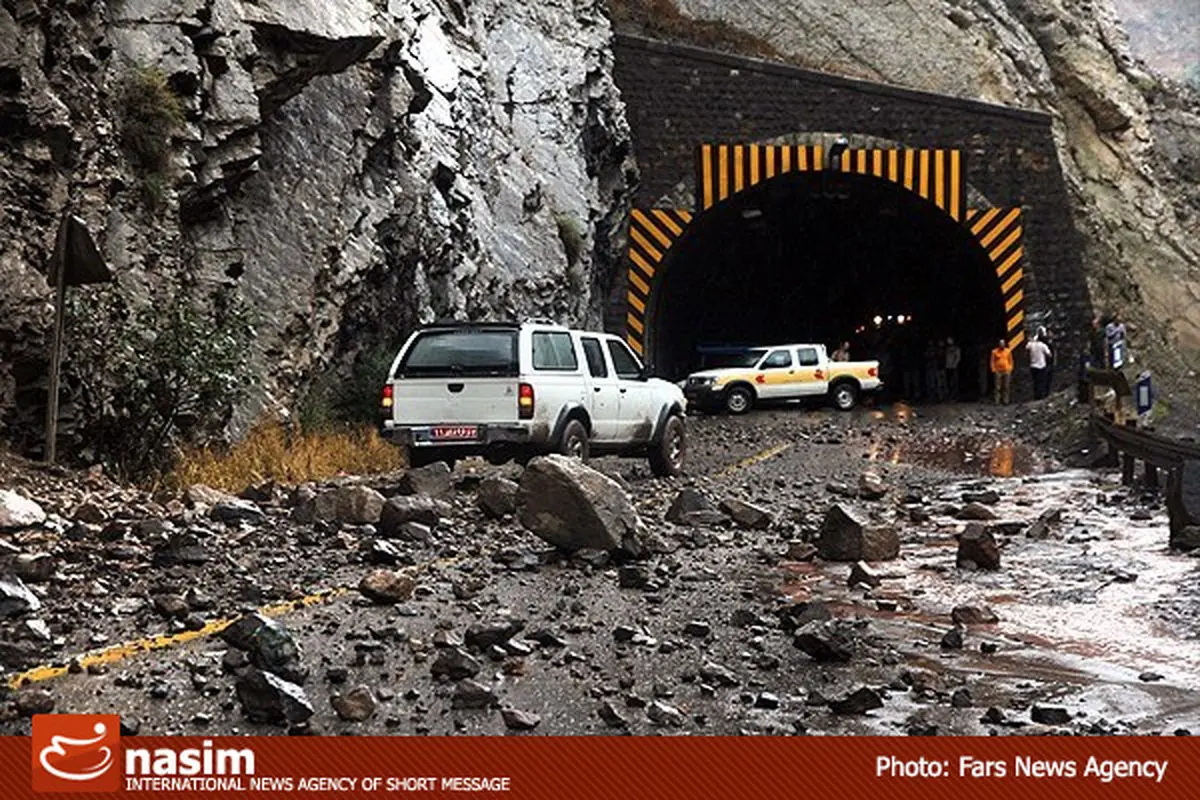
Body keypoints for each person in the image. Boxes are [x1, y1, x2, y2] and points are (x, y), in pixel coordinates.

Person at [1027, 331, 1052, 399]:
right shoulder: (1043, 345)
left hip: (1033, 366)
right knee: (1041, 381)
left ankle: (1036, 395)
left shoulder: (1031, 345)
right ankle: (1041, 395)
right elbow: (1049, 354)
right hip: (1041, 365)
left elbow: (1026, 348)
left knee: (1035, 381)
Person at [990, 338, 1013, 405]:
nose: (1002, 345)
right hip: (998, 371)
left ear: (1004, 344)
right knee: (997, 387)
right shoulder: (994, 351)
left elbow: (1011, 360)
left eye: (1003, 343)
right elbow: (992, 361)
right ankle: (997, 401)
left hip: (1006, 370)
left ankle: (1006, 401)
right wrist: (993, 369)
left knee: (1006, 386)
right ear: (999, 344)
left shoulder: (1008, 351)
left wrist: (1010, 368)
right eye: (1000, 343)